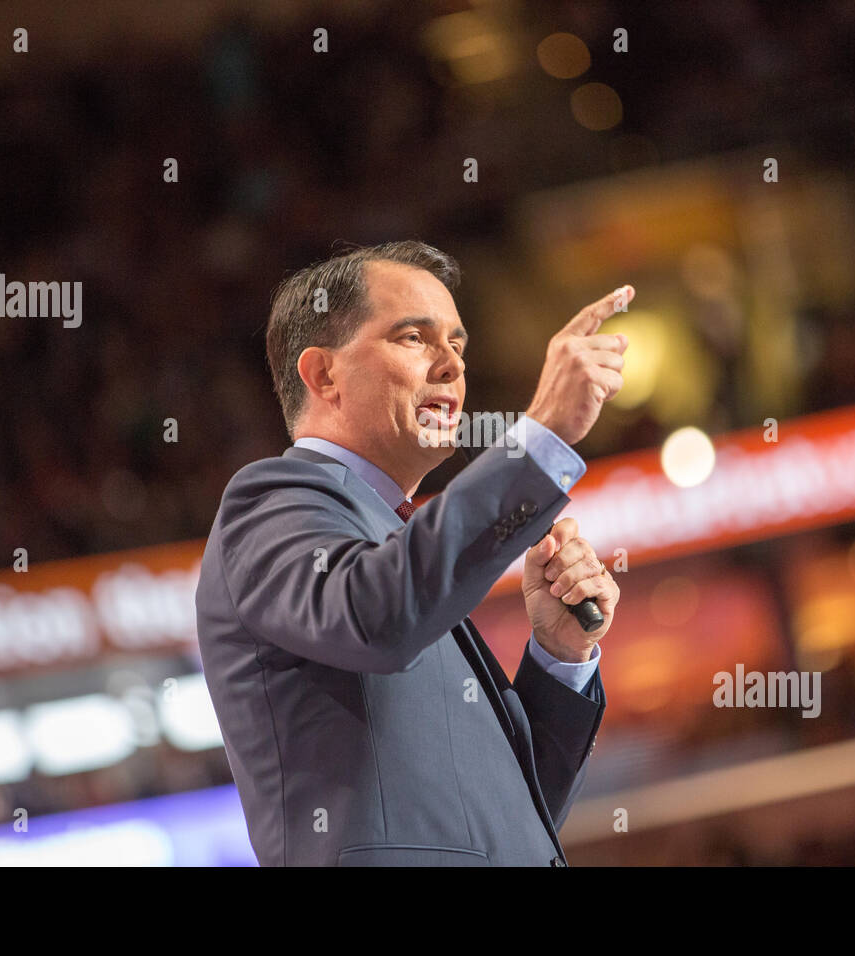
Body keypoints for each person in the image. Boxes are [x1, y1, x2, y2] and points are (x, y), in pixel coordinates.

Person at [195, 240, 631, 865]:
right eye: (413, 337)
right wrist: (541, 437)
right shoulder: (269, 502)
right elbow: (378, 615)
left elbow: (515, 819)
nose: (452, 365)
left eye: (457, 345)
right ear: (323, 375)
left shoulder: (395, 542)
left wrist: (560, 655)